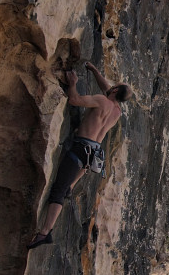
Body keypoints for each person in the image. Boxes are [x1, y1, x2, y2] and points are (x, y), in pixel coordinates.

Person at [27, 62, 132, 249]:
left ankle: (45, 233)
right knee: (66, 188)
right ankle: (71, 187)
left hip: (80, 149)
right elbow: (108, 88)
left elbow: (74, 100)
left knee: (58, 191)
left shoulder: (101, 100)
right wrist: (94, 70)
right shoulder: (116, 111)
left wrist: (73, 83)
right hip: (92, 155)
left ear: (115, 90)